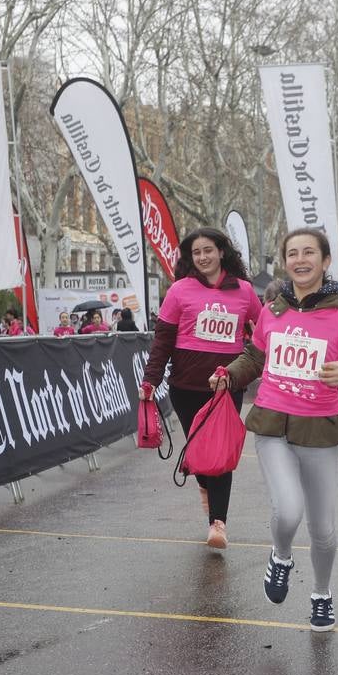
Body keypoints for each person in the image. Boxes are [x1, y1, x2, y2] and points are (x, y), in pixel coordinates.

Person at [211, 227, 338, 632]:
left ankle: (322, 596)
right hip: (272, 423)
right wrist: (229, 375)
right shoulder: (272, 311)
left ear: (325, 262)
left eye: (310, 252)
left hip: (320, 430)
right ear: (285, 262)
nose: (300, 259)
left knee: (322, 528)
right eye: (293, 253)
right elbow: (255, 356)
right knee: (287, 509)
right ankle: (281, 556)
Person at [141, 227, 263, 548]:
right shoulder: (179, 291)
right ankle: (204, 486)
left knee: (219, 454)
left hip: (225, 386)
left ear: (222, 252)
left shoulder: (245, 292)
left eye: (208, 250)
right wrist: (150, 380)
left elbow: (263, 332)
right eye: (196, 253)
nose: (203, 257)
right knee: (200, 455)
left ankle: (218, 524)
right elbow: (162, 341)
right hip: (185, 387)